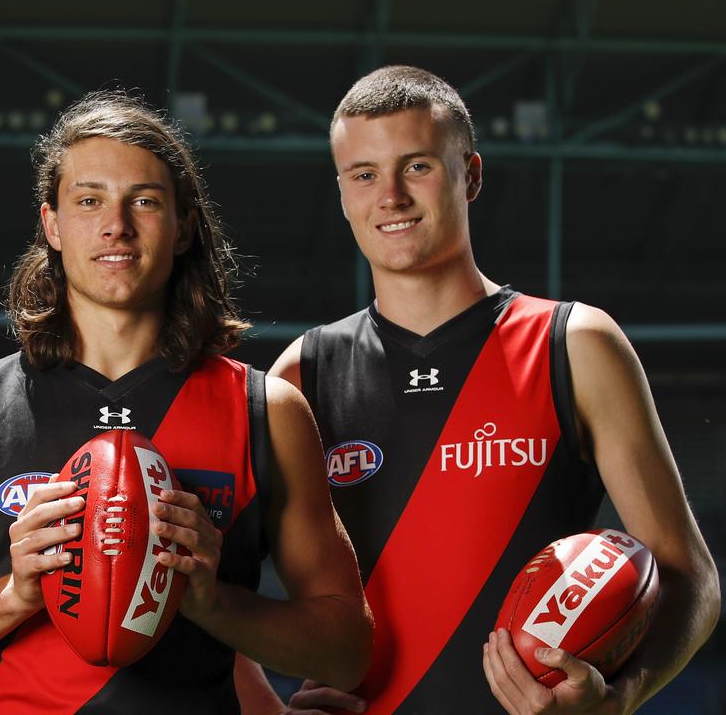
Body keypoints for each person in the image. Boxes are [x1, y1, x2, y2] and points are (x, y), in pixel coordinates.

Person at [0, 90, 372, 714]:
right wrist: (16, 595)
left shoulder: (267, 411)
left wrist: (212, 602)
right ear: (52, 224)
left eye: (144, 202)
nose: (115, 226)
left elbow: (347, 651)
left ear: (183, 227)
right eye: (89, 200)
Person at [239, 65, 720, 714]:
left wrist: (619, 699)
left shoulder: (573, 344)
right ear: (343, 191)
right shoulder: (306, 372)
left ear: (470, 172)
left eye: (416, 167)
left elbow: (693, 579)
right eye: (363, 174)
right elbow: (214, 589)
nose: (390, 196)